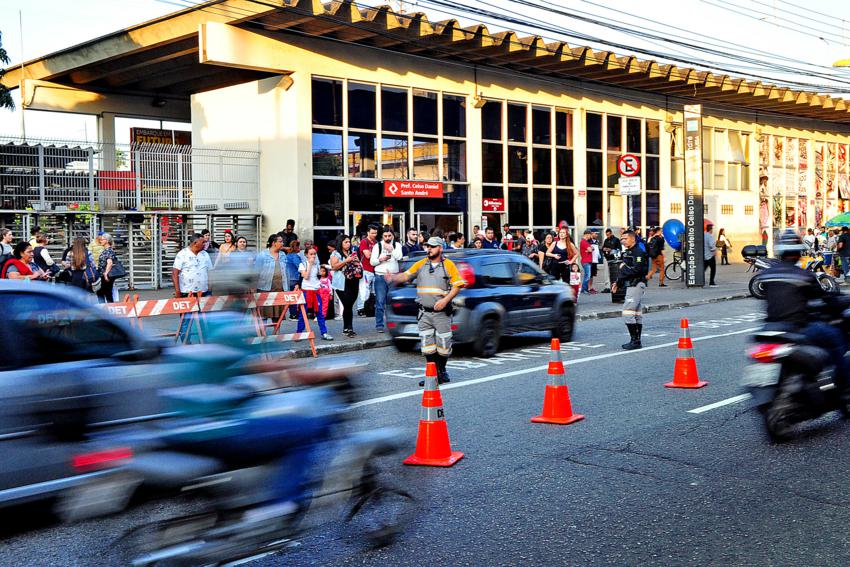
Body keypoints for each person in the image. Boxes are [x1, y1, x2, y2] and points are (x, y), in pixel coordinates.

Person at [761, 230, 849, 410]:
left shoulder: (767, 274)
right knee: (835, 338)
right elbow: (828, 300)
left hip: (769, 328)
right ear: (797, 253)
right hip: (798, 328)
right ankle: (845, 387)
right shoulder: (803, 276)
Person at [388, 236, 466, 385]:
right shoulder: (422, 263)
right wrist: (395, 277)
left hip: (441, 313)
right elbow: (407, 275)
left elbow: (458, 285)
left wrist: (444, 300)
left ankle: (441, 371)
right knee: (427, 347)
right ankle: (433, 376)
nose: (429, 249)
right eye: (427, 246)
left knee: (443, 346)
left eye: (432, 246)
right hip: (424, 313)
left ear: (440, 248)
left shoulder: (448, 265)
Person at [172, 233, 214, 343]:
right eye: (202, 242)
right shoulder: (182, 254)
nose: (205, 244)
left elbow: (210, 272)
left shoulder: (205, 255)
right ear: (195, 243)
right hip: (187, 293)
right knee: (186, 321)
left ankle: (205, 343)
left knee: (205, 320)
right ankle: (186, 343)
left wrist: (210, 288)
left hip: (203, 293)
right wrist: (178, 292)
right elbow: (175, 273)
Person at [612, 230, 649, 350]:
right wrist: (618, 282)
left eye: (625, 238)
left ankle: (635, 340)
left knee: (627, 311)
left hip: (636, 284)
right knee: (636, 313)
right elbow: (625, 270)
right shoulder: (629, 251)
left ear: (633, 239)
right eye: (621, 239)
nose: (623, 241)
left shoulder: (638, 252)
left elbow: (638, 270)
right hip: (632, 285)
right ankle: (637, 340)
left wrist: (624, 268)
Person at [370, 225, 403, 333]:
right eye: (385, 236)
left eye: (389, 235)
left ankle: (392, 323)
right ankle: (379, 324)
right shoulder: (377, 246)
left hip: (393, 276)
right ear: (382, 236)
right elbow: (372, 262)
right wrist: (381, 259)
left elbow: (399, 257)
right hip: (380, 276)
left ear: (393, 235)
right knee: (380, 301)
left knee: (393, 302)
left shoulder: (397, 245)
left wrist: (392, 250)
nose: (387, 238)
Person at [329, 235, 362, 337]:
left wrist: (356, 260)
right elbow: (334, 267)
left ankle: (347, 328)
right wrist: (346, 261)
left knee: (350, 305)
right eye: (346, 242)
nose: (348, 244)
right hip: (342, 283)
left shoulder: (351, 252)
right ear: (340, 243)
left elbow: (358, 264)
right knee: (347, 303)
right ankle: (348, 328)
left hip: (353, 281)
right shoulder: (336, 253)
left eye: (349, 242)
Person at [297, 246, 332, 340]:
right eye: (311, 254)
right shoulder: (303, 264)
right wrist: (310, 265)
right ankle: (299, 333)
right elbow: (306, 276)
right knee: (303, 314)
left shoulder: (317, 265)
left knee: (320, 313)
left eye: (314, 254)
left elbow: (321, 275)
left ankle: (324, 332)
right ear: (306, 255)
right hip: (306, 291)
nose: (313, 256)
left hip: (316, 291)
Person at [256, 234, 290, 324]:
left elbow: (287, 272)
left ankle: (276, 335)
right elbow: (256, 271)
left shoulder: (283, 255)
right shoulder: (263, 255)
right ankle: (262, 335)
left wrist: (288, 288)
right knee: (264, 315)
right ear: (273, 243)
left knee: (278, 315)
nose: (282, 243)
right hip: (265, 289)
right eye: (280, 241)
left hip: (280, 289)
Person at [357, 225, 379, 315]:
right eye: (372, 233)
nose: (374, 235)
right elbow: (368, 255)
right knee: (364, 289)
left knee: (373, 290)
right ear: (368, 233)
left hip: (375, 269)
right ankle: (360, 308)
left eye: (376, 233)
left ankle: (370, 308)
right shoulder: (364, 242)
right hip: (366, 269)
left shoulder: (376, 242)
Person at [97, 233, 118, 304]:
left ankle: (106, 309)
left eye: (102, 239)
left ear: (107, 241)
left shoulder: (109, 250)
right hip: (104, 275)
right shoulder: (107, 250)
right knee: (105, 293)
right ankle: (107, 309)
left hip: (107, 275)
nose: (100, 241)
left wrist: (106, 273)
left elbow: (110, 262)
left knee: (104, 293)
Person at [285, 240, 303, 319]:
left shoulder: (287, 255)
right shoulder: (295, 256)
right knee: (294, 297)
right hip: (295, 278)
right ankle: (294, 314)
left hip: (288, 278)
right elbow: (299, 266)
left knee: (291, 296)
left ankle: (292, 313)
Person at [579, 229, 594, 294]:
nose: (591, 236)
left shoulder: (586, 242)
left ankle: (584, 289)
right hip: (586, 261)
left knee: (587, 275)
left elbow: (592, 248)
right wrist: (590, 249)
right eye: (590, 235)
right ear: (587, 235)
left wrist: (590, 249)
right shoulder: (584, 242)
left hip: (587, 261)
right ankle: (584, 289)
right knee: (587, 276)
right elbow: (591, 249)